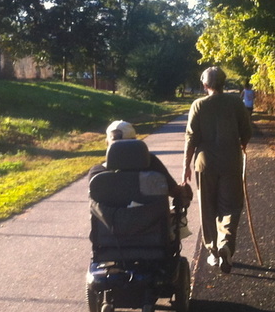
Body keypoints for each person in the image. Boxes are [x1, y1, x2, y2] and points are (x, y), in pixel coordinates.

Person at [182, 66, 252, 273]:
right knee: (230, 207)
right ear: (223, 83)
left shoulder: (198, 105)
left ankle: (213, 251)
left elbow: (191, 138)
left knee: (208, 208)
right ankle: (226, 244)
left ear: (205, 84)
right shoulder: (235, 102)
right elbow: (246, 131)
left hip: (205, 164)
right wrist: (242, 144)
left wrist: (186, 166)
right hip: (231, 162)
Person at [89, 120, 191, 207]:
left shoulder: (97, 173)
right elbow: (172, 191)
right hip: (152, 226)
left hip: (110, 228)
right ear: (134, 142)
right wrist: (182, 190)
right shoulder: (150, 163)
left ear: (108, 144)